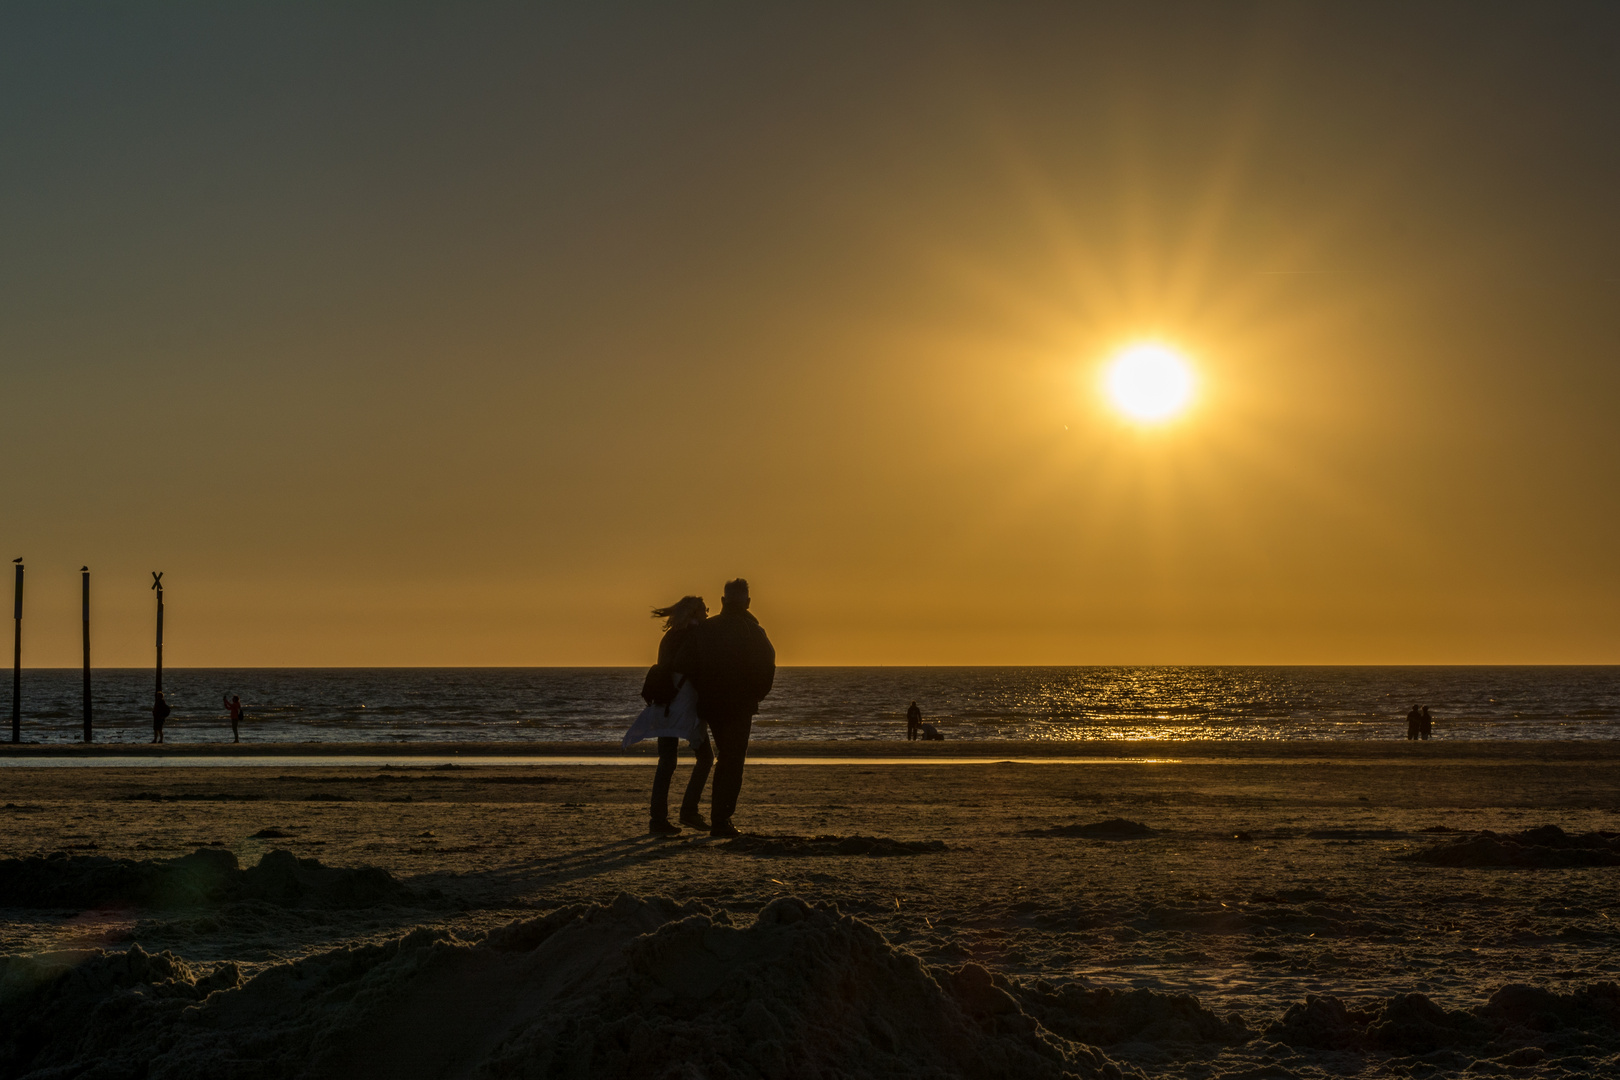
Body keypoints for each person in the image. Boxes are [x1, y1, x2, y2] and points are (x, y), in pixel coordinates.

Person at [674, 578, 775, 838]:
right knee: (732, 760)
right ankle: (721, 820)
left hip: (712, 704)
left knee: (726, 757)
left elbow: (685, 662)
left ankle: (719, 819)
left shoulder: (707, 630)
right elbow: (768, 667)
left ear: (723, 601)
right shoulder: (753, 631)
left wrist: (702, 690)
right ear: (748, 603)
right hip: (740, 706)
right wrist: (755, 695)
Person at [622, 596, 714, 836]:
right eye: (704, 610)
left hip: (665, 703)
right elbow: (696, 670)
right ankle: (688, 811)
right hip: (684, 704)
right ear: (695, 613)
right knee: (705, 757)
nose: (707, 614)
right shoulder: (694, 636)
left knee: (667, 762)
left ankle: (658, 820)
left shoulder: (669, 636)